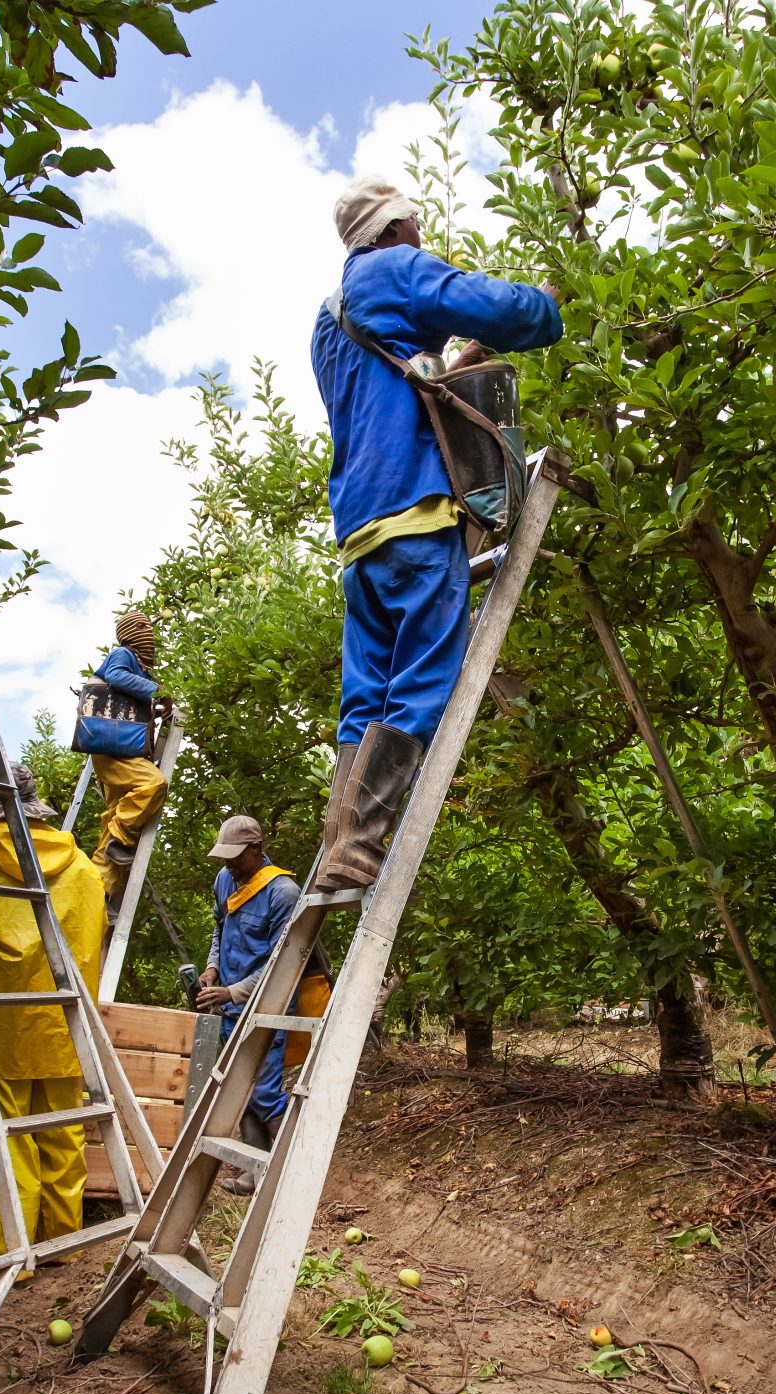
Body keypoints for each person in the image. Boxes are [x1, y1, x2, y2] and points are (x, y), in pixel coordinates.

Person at [309, 177, 562, 890]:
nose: (420, 238)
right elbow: (497, 307)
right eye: (412, 227)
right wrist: (546, 304)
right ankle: (361, 842)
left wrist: (450, 364)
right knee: (424, 674)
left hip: (360, 534)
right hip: (417, 512)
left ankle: (341, 840)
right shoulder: (393, 271)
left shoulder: (327, 324)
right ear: (389, 231)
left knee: (365, 695)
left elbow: (393, 395)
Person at [0, 763, 104, 1247]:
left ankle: (8, 1250)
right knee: (62, 1135)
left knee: (0, 1139)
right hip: (64, 1026)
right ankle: (61, 1243)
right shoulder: (81, 866)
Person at [194, 815, 302, 1182]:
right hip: (229, 1003)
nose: (228, 864)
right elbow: (218, 929)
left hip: (269, 1005)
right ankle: (253, 1171)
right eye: (224, 856)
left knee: (266, 1090)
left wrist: (233, 990)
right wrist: (212, 969)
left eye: (236, 856)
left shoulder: (283, 893)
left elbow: (280, 965)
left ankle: (295, 1165)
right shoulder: (225, 880)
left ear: (257, 849)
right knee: (239, 1085)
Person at [73, 611, 170, 896]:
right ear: (130, 632)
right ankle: (120, 836)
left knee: (115, 814)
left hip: (123, 747)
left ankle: (99, 892)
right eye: (142, 626)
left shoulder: (140, 666)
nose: (148, 632)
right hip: (112, 746)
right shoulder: (123, 655)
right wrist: (155, 690)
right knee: (154, 784)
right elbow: (115, 678)